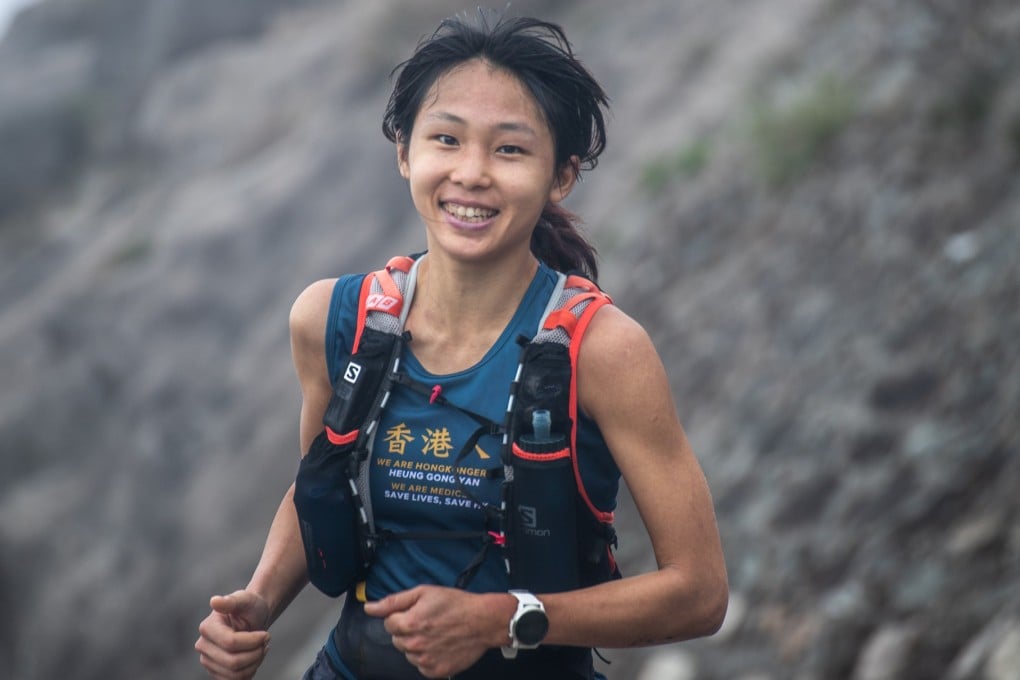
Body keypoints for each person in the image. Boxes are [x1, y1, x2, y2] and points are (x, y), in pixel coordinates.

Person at [195, 10, 728, 680]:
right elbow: (320, 487)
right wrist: (259, 601)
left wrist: (502, 618)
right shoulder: (335, 319)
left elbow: (701, 593)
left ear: (560, 176)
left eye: (509, 149)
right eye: (446, 139)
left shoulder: (602, 352)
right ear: (404, 153)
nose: (471, 174)